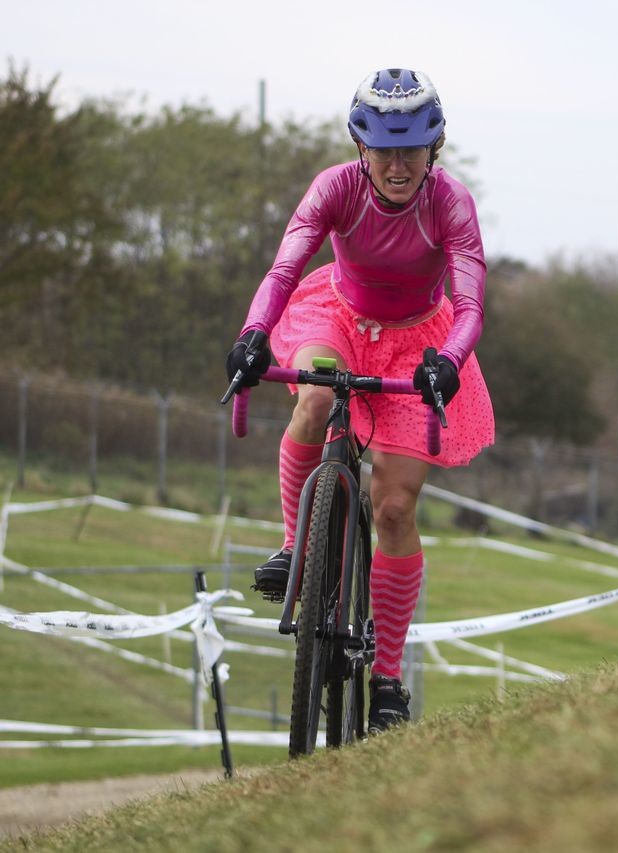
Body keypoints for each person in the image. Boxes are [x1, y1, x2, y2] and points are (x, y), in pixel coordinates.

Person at [225, 68, 495, 734]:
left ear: (433, 149)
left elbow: (469, 304)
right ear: (361, 148)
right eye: (383, 149)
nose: (397, 165)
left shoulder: (451, 202)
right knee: (314, 397)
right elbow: (285, 270)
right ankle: (297, 545)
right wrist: (253, 335)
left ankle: (388, 680)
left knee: (396, 507)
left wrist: (450, 362)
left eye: (411, 150)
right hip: (337, 317)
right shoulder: (335, 189)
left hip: (419, 341)